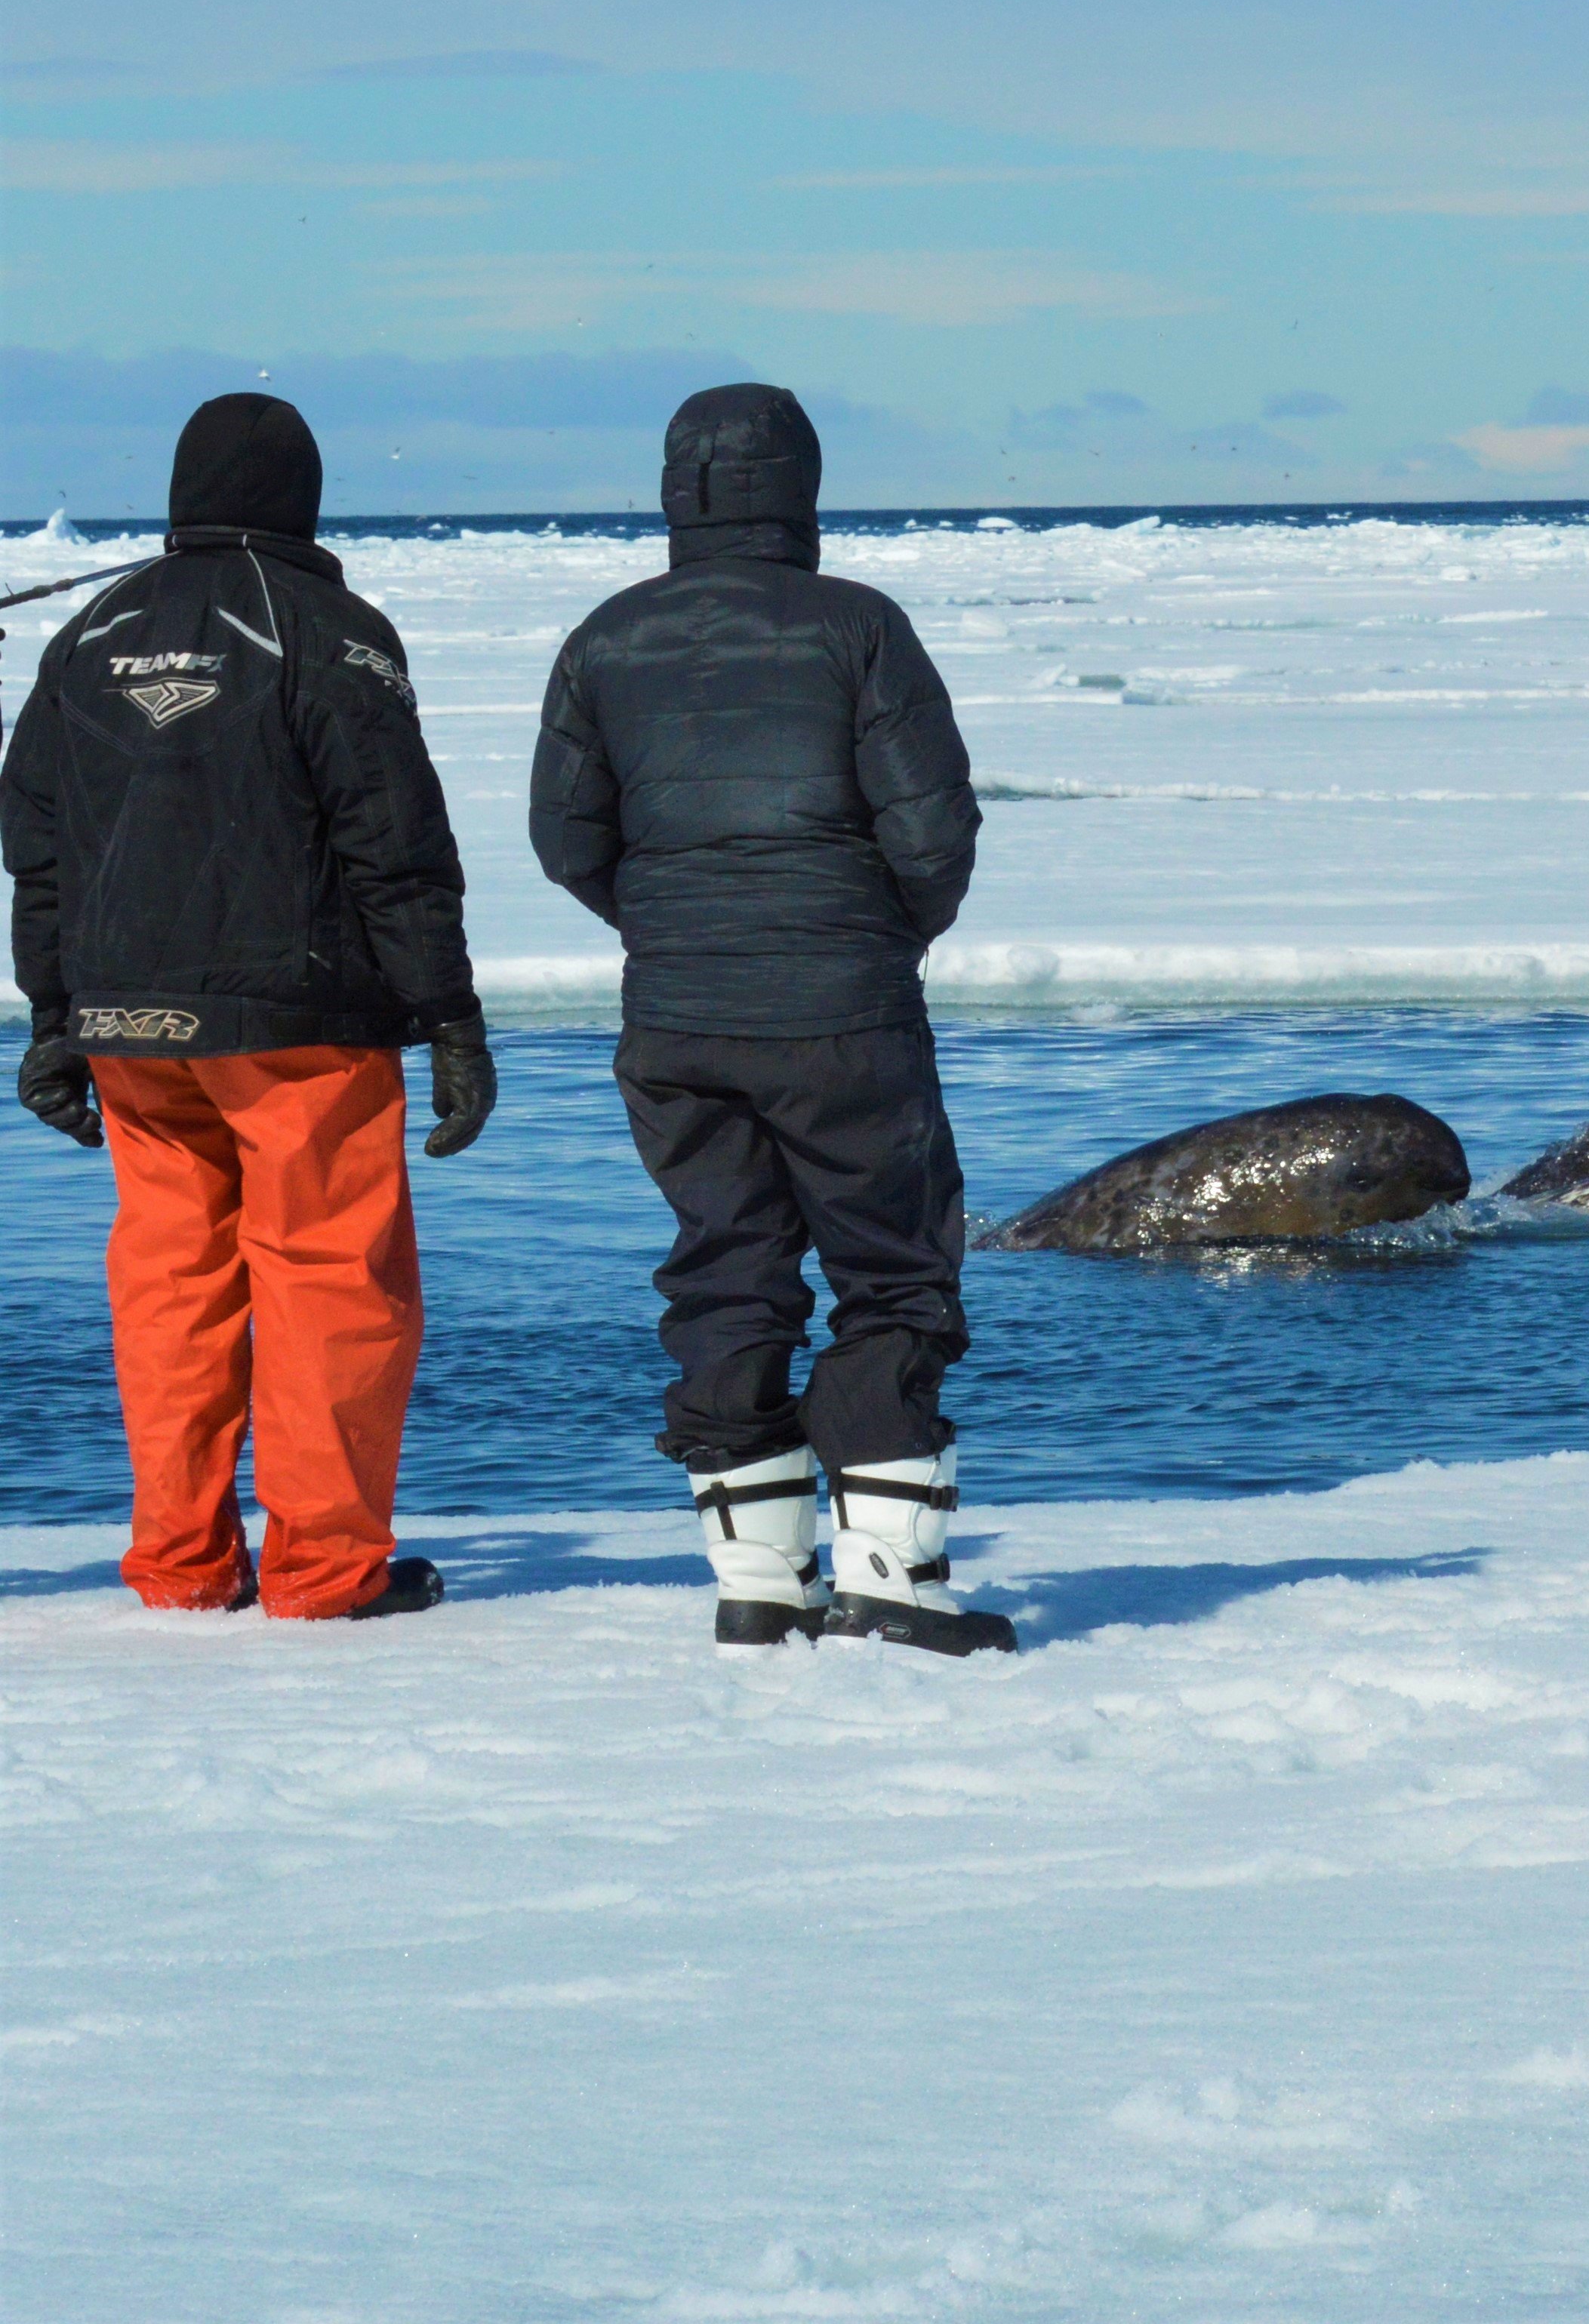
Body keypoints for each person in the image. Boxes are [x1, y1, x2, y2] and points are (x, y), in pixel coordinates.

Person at [527, 383, 1009, 1655]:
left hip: (680, 1019)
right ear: (802, 486)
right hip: (842, 1008)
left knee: (726, 1271)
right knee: (894, 1272)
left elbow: (564, 840)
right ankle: (894, 1584)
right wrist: (883, 932)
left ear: (675, 488)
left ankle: (757, 1581)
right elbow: (933, 829)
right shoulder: (860, 626)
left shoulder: (606, 636)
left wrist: (672, 926)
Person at [3, 393, 491, 1620]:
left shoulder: (88, 635)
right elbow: (397, 844)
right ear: (300, 500)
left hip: (132, 1027)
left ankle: (182, 1563)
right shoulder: (330, 631)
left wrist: (56, 1016)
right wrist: (448, 1016)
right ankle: (324, 1573)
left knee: (173, 1286)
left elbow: (37, 849)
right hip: (298, 1026)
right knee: (329, 1279)